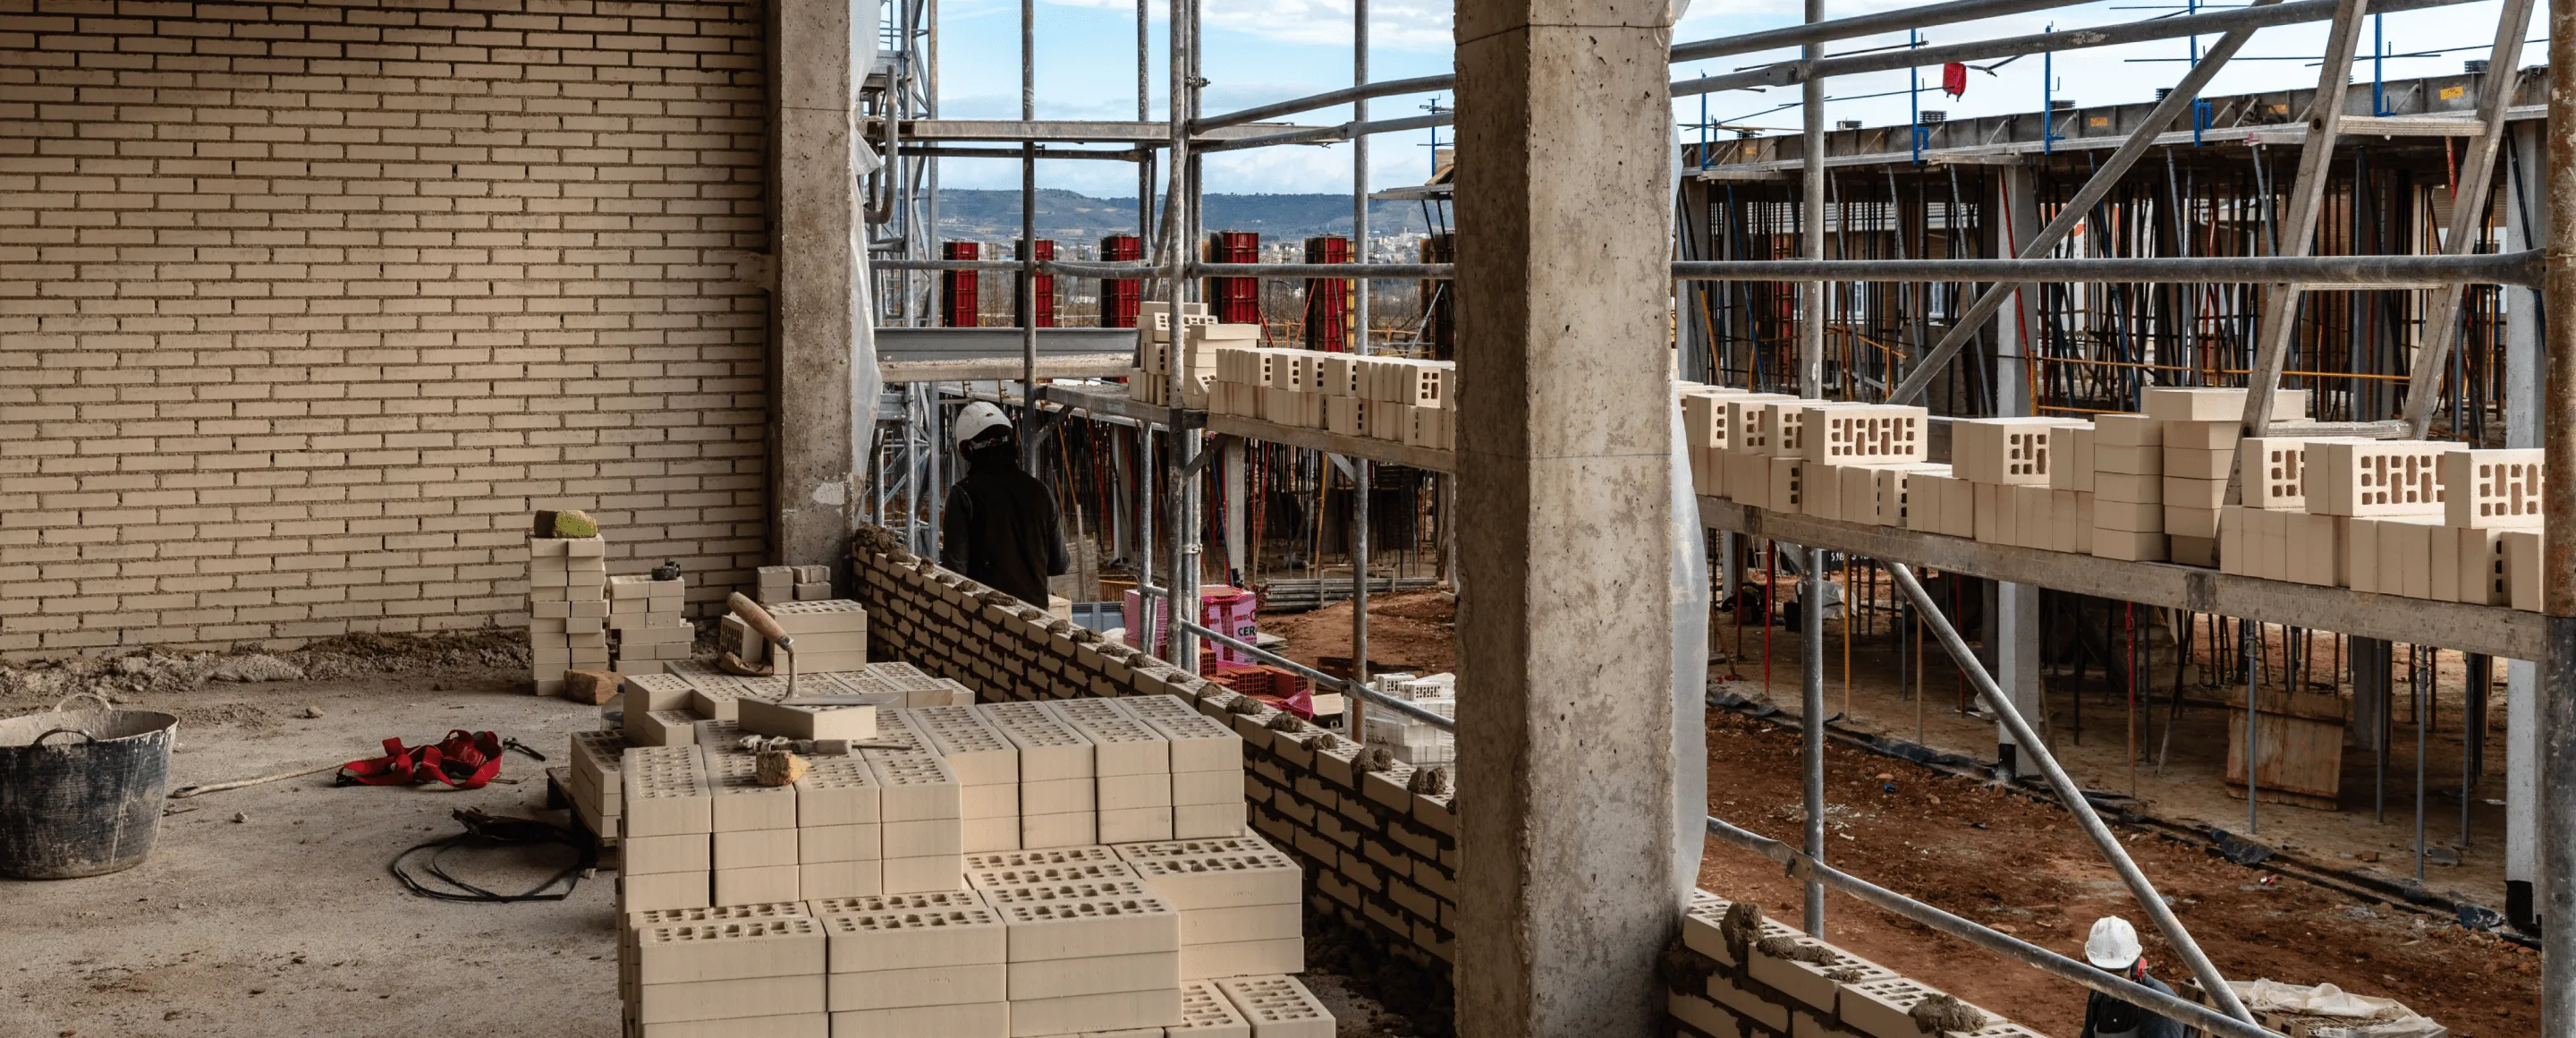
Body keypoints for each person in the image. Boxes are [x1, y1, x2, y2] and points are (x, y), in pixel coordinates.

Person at [940, 402, 1070, 608]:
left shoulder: (963, 495)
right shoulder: (1041, 492)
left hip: (986, 622)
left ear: (967, 450)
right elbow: (1060, 564)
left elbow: (955, 574)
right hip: (1036, 623)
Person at [2080, 916, 2184, 1038]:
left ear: (2136, 968)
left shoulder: (2160, 1006)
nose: (2110, 985)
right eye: (2103, 977)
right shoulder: (2098, 994)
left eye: (2118, 976)